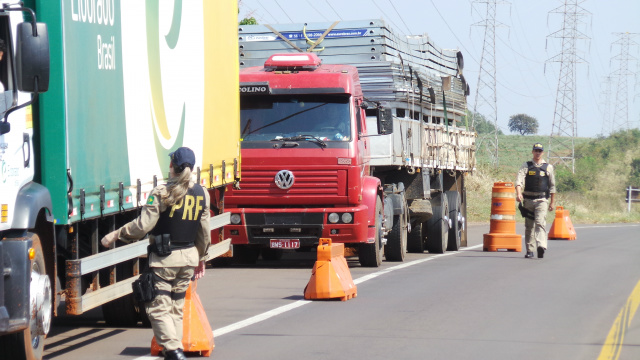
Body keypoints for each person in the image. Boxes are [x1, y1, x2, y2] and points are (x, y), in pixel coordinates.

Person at [101, 147, 210, 360]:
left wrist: (116, 234)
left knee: (158, 309)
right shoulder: (202, 193)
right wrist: (201, 258)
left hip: (164, 259)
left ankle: (173, 351)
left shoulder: (161, 192)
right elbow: (204, 232)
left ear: (172, 167)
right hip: (188, 258)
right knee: (176, 308)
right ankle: (174, 350)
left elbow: (142, 226)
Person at [515, 143, 556, 259]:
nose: (538, 153)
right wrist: (518, 193)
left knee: (540, 223)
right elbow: (519, 181)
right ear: (532, 152)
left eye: (540, 151)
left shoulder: (548, 167)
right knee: (529, 226)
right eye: (536, 150)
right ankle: (530, 250)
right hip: (528, 200)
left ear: (542, 153)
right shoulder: (526, 166)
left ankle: (541, 246)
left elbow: (552, 186)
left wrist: (552, 202)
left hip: (542, 200)